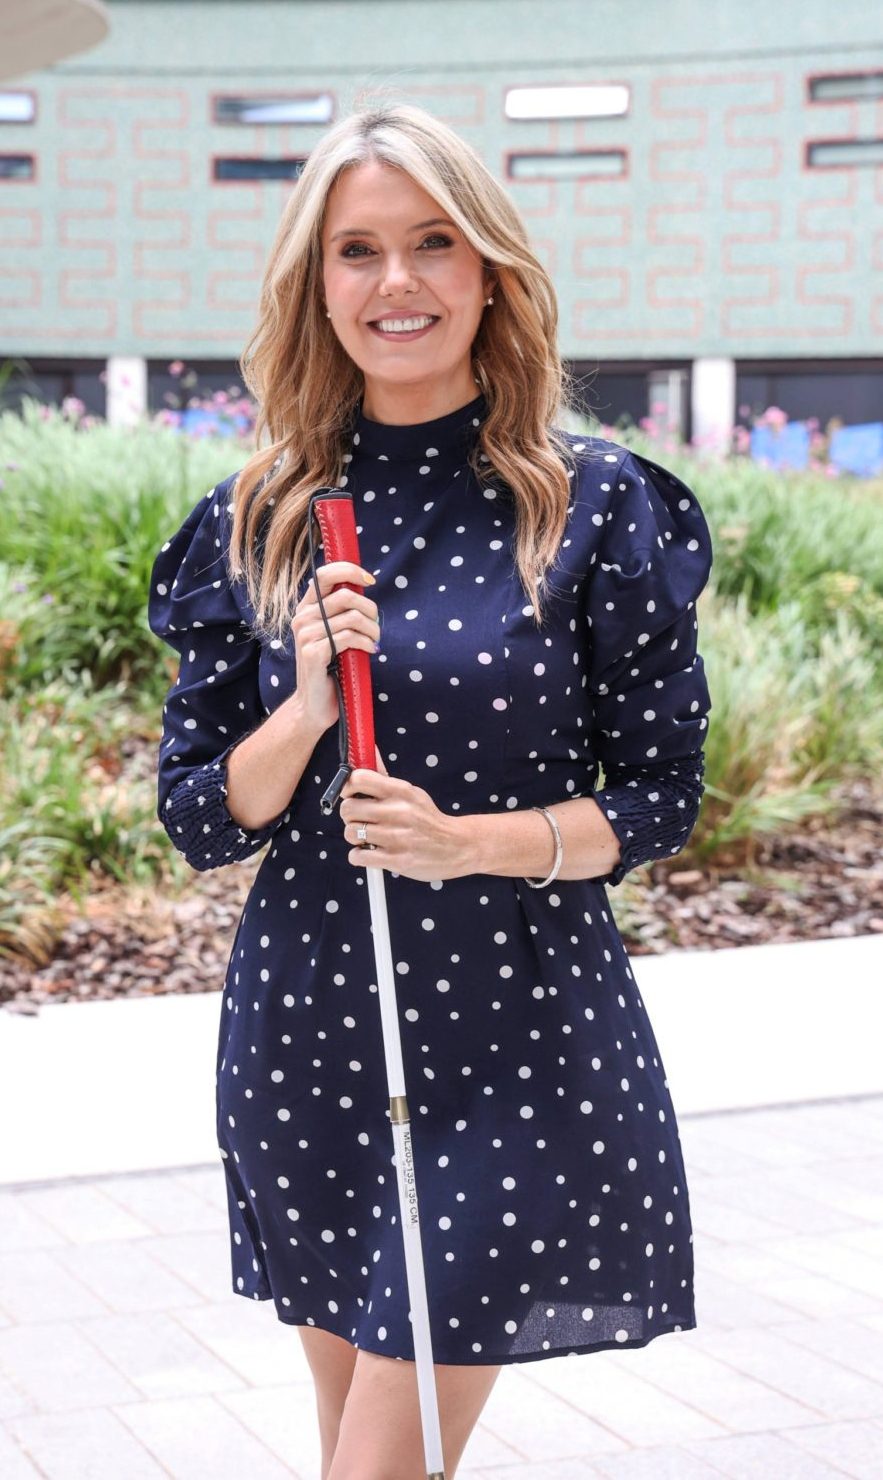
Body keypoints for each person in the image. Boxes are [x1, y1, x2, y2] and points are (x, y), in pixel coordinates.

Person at [147, 99, 713, 1480]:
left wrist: (469, 844)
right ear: (315, 281)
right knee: (362, 1449)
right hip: (314, 1037)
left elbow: (659, 797)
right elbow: (200, 816)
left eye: (432, 244)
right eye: (356, 250)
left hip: (523, 1033)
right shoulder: (260, 516)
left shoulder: (588, 505)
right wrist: (298, 706)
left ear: (490, 273)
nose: (395, 284)